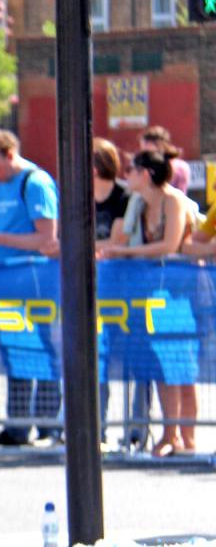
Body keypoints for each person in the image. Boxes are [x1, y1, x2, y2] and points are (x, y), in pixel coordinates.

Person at [0, 130, 61, 447]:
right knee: (13, 349)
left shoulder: (35, 183)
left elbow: (47, 240)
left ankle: (49, 426)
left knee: (41, 348)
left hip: (34, 280)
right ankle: (17, 426)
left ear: (9, 154)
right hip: (4, 280)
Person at [100, 149, 199, 457]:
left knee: (181, 365)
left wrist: (125, 253)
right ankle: (170, 434)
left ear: (146, 174)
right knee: (160, 365)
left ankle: (187, 436)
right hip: (151, 294)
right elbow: (121, 241)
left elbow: (171, 245)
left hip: (181, 292)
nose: (126, 175)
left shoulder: (173, 200)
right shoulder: (137, 204)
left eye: (131, 170)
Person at [140, 125, 191, 193]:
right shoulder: (143, 167)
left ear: (160, 145)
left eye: (148, 152)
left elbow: (180, 194)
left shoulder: (180, 167)